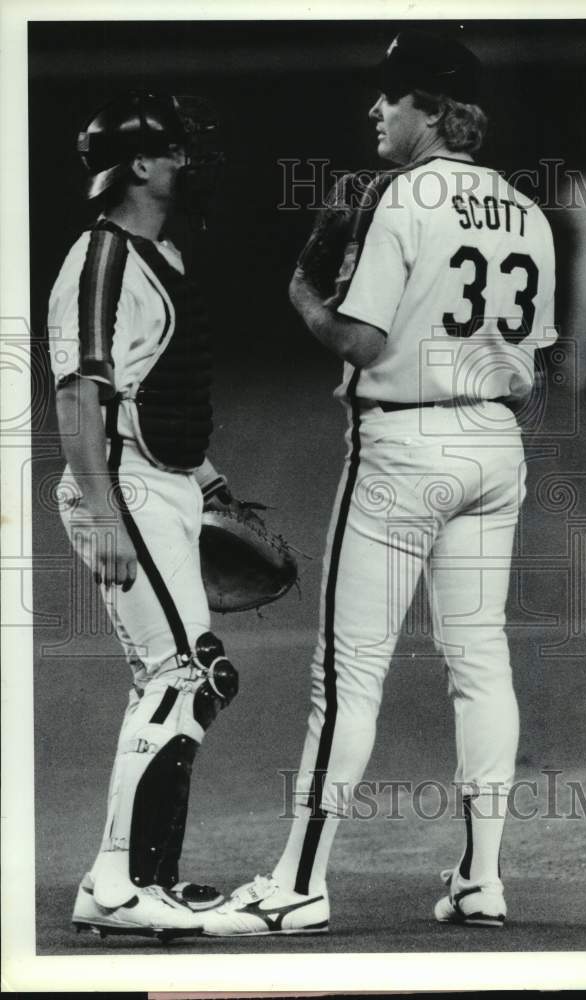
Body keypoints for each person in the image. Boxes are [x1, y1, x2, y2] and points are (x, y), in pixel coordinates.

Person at [201, 30, 556, 937]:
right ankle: (482, 880)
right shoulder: (526, 209)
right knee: (480, 662)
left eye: (391, 96)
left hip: (404, 448)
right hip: (496, 445)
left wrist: (301, 293)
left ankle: (298, 883)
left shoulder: (399, 196)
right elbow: (534, 360)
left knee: (346, 674)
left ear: (430, 110)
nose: (375, 108)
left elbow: (360, 341)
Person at [49, 91, 241, 939]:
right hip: (120, 489)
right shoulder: (102, 257)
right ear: (139, 165)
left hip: (160, 482)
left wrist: (208, 483)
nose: (188, 163)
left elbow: (159, 394)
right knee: (183, 677)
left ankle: (142, 880)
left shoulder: (163, 253)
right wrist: (104, 515)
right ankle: (119, 885)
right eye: (176, 151)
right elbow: (78, 397)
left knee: (180, 682)